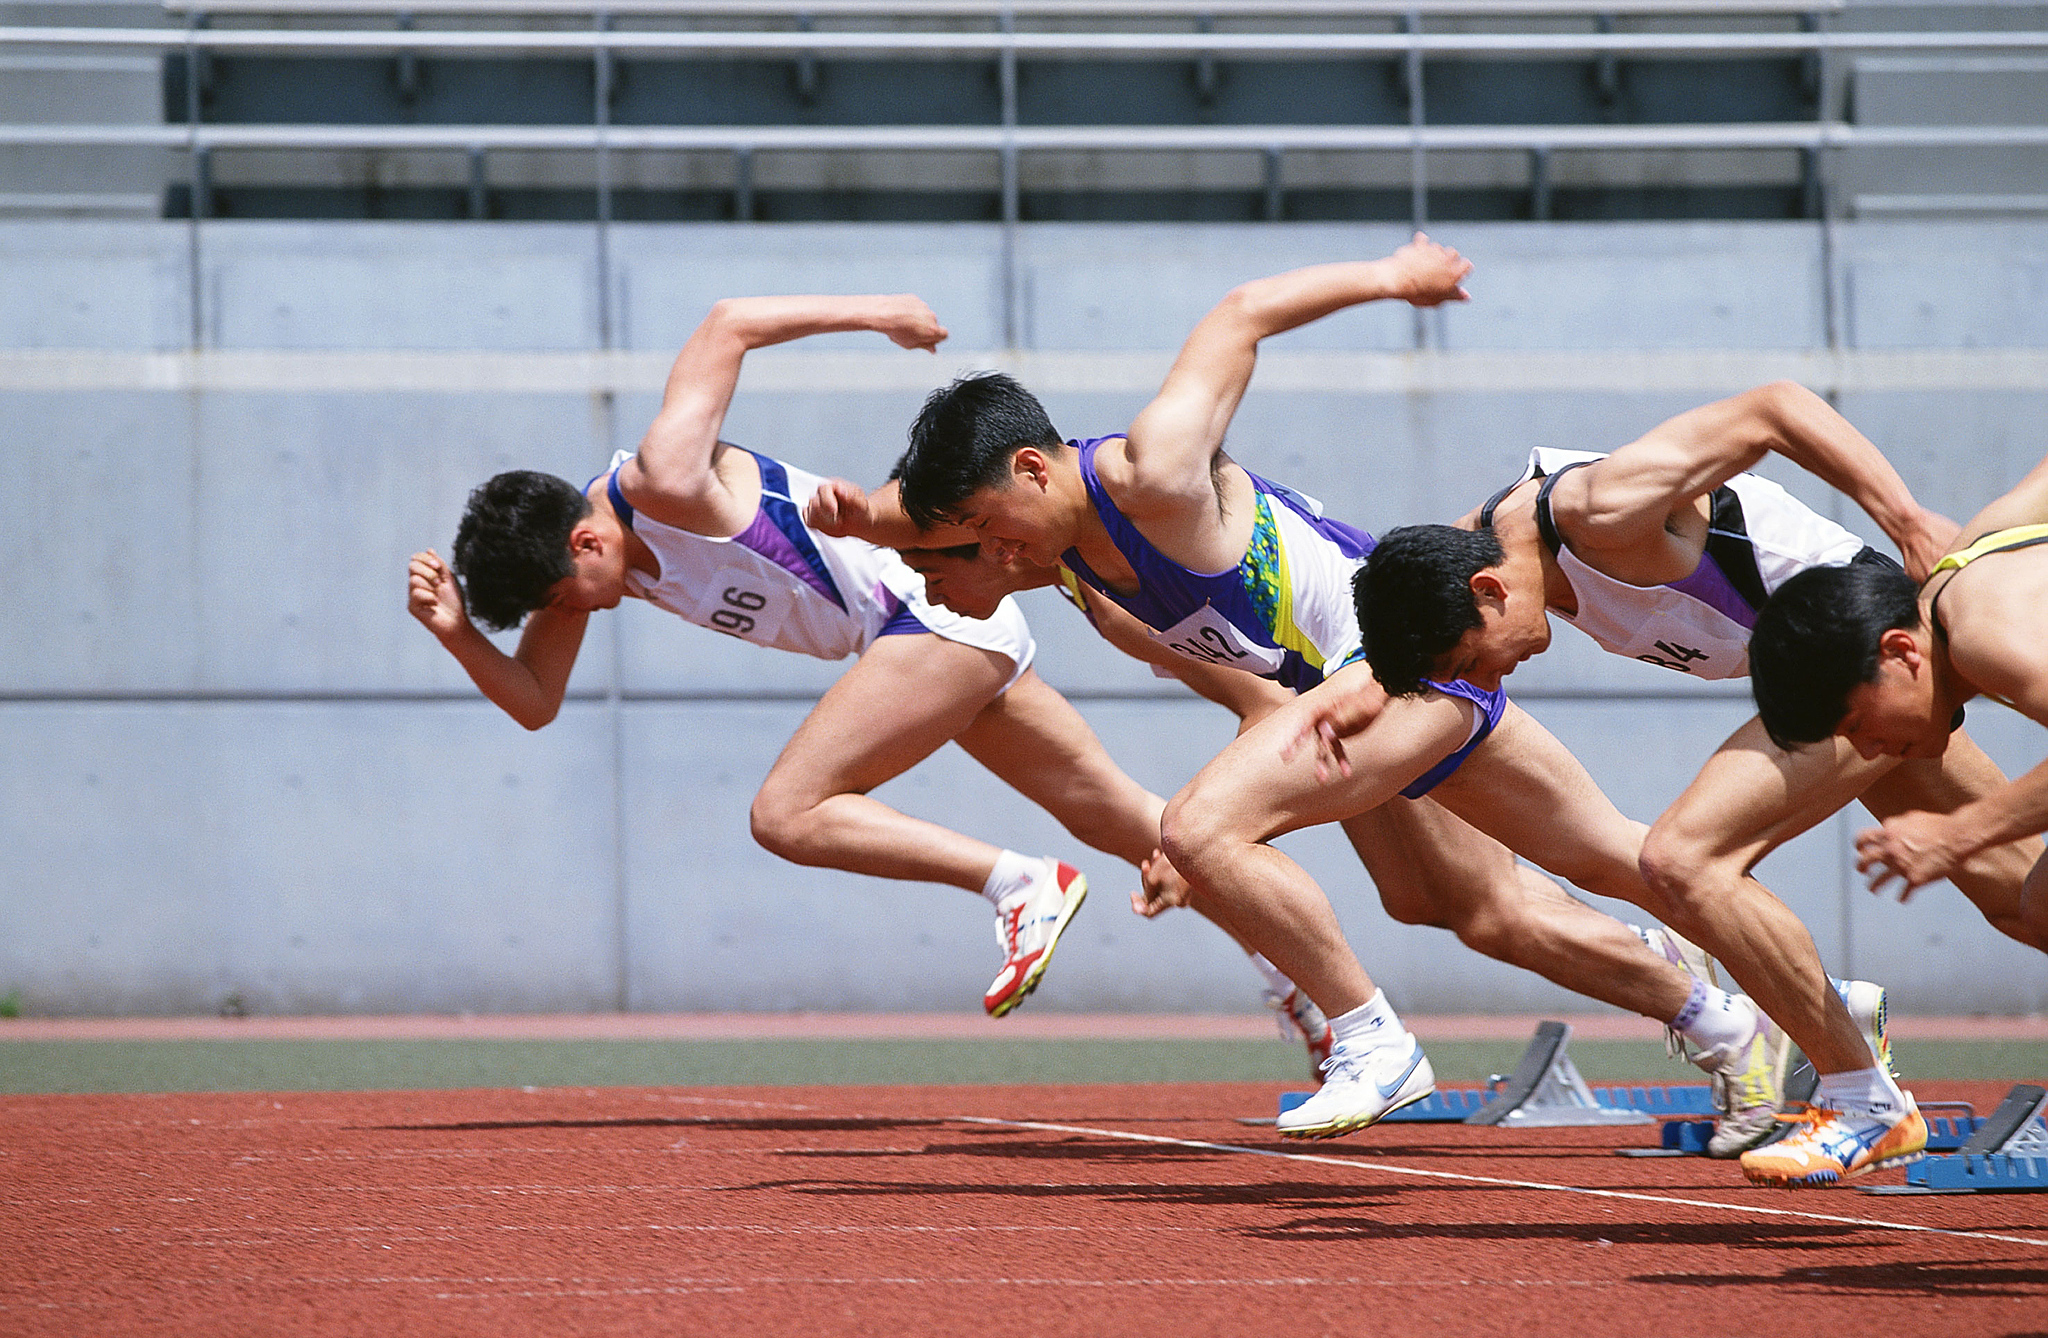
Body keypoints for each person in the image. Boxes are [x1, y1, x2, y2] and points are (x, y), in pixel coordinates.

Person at [848, 239, 1822, 1147]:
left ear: (1029, 468)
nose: (988, 553)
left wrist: (1397, 276)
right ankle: (1748, 1019)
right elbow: (933, 530)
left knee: (1196, 830)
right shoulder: (1065, 561)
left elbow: (1239, 314)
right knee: (1522, 891)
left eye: (985, 525)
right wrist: (844, 512)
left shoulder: (1151, 471)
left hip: (1399, 666)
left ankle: (1371, 1041)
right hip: (1361, 690)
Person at [406, 291, 1315, 1043]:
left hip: (924, 612)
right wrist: (457, 631)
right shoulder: (592, 570)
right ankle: (1315, 994)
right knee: (1151, 833)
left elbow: (727, 324)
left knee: (785, 813)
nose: (576, 614)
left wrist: (881, 314)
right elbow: (533, 701)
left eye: (567, 595)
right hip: (940, 643)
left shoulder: (662, 480)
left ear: (583, 538)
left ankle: (1020, 882)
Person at [1351, 380, 2037, 1186]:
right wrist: (1340, 700)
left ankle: (1862, 1096)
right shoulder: (1473, 550)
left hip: (1863, 661)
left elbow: (1773, 408)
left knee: (1685, 860)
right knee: (2019, 893)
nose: (1489, 678)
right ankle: (1836, 1024)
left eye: (1473, 663)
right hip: (1826, 691)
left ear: (1490, 593)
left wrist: (1906, 515)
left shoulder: (1601, 510)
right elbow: (1391, 648)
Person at [1747, 450, 2048, 924]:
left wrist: (1960, 833)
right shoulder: (1973, 552)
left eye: (1858, 725)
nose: (1869, 752)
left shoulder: (1981, 635)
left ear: (1900, 652)